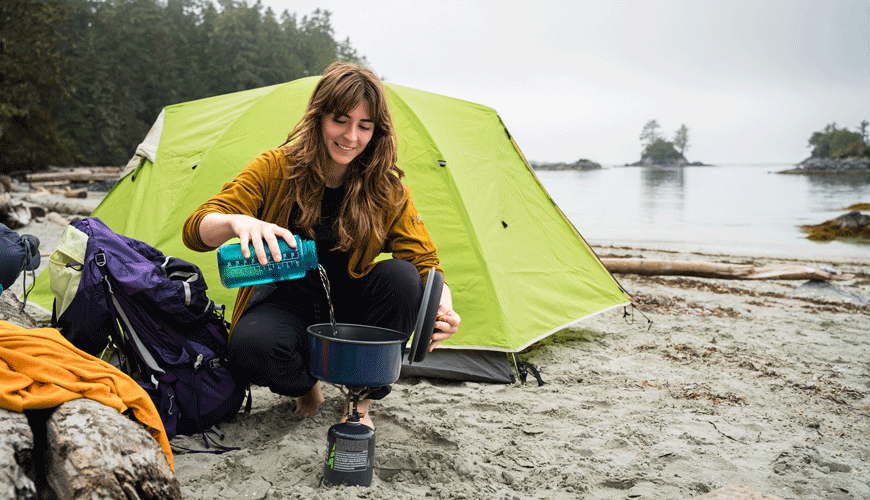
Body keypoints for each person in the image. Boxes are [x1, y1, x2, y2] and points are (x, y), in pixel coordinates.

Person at [182, 62, 460, 428]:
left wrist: (443, 304)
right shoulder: (275, 168)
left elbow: (424, 260)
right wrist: (236, 221)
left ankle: (359, 399)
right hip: (287, 300)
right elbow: (196, 229)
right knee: (250, 347)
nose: (351, 137)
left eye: (365, 126)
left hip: (353, 304)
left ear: (377, 132)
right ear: (319, 118)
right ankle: (306, 386)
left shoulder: (387, 188)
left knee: (404, 277)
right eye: (340, 120)